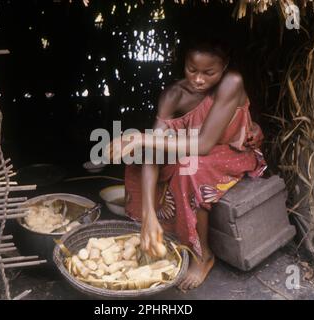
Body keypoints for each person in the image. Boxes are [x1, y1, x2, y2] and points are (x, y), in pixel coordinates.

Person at [110, 35, 267, 290]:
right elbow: (153, 151)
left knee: (188, 170)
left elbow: (204, 144)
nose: (198, 79)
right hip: (191, 151)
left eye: (209, 72)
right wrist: (148, 213)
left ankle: (203, 255)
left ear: (224, 66)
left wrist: (141, 137)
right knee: (140, 165)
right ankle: (158, 229)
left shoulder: (231, 82)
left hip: (232, 152)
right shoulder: (173, 96)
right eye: (192, 70)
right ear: (183, 63)